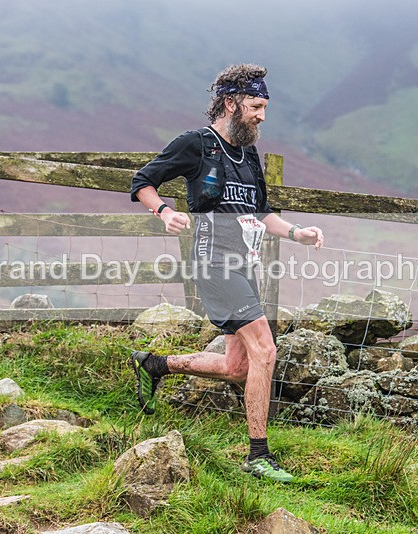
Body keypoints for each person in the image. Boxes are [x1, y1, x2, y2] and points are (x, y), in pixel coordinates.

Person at [128, 64, 324, 483]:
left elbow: (262, 213)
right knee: (266, 351)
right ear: (231, 103)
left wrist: (297, 233)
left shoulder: (249, 153)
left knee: (238, 366)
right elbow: (143, 180)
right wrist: (163, 211)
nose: (262, 116)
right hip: (212, 263)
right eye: (256, 106)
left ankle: (153, 365)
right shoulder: (197, 144)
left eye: (265, 107)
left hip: (243, 266)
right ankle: (258, 455)